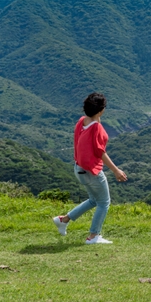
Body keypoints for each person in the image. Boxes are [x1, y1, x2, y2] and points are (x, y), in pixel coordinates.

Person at [52, 92, 128, 244]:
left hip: (79, 169)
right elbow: (100, 152)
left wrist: (97, 114)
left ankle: (63, 220)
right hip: (90, 172)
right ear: (101, 110)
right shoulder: (97, 129)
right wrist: (116, 170)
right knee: (104, 202)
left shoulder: (82, 121)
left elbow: (94, 122)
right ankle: (93, 236)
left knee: (94, 200)